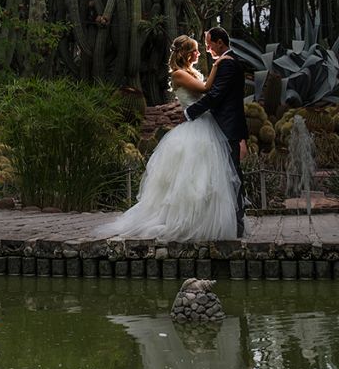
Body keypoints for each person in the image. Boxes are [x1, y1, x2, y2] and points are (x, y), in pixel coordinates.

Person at [97, 34, 240, 242]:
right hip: (195, 128)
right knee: (191, 179)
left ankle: (203, 222)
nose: (198, 53)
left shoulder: (191, 72)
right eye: (195, 50)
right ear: (186, 54)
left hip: (205, 125)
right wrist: (217, 65)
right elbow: (205, 89)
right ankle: (185, 222)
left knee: (207, 178)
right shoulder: (178, 74)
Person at [185, 26, 248, 238]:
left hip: (227, 127)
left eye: (209, 44)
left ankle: (236, 223)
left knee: (231, 175)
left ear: (220, 43)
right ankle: (231, 223)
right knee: (227, 174)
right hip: (225, 126)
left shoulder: (228, 64)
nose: (207, 49)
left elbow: (215, 96)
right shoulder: (227, 61)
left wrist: (189, 112)